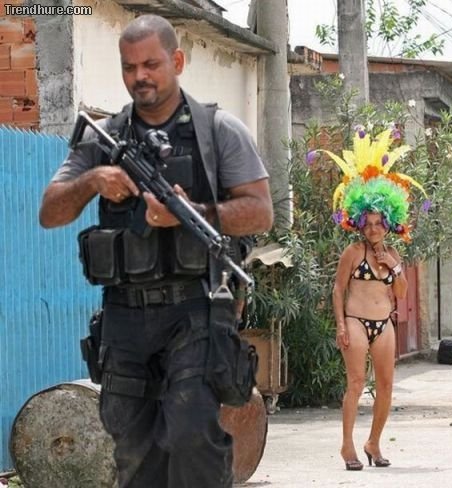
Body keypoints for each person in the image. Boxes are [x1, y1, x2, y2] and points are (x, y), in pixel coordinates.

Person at [38, 15, 273, 488]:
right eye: (129, 67)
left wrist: (194, 212)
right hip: (124, 318)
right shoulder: (102, 137)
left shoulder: (217, 131)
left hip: (195, 310)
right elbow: (50, 211)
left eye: (151, 64)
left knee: (191, 436)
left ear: (177, 61)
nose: (139, 76)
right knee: (134, 451)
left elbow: (260, 212)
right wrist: (93, 180)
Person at [324, 128, 427, 471]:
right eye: (367, 223)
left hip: (384, 325)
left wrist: (392, 267)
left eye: (379, 223)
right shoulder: (353, 253)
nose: (373, 229)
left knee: (386, 386)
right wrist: (341, 325)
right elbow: (338, 289)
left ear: (388, 223)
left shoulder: (393, 255)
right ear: (359, 223)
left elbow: (402, 294)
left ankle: (374, 443)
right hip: (355, 321)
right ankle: (347, 446)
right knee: (356, 383)